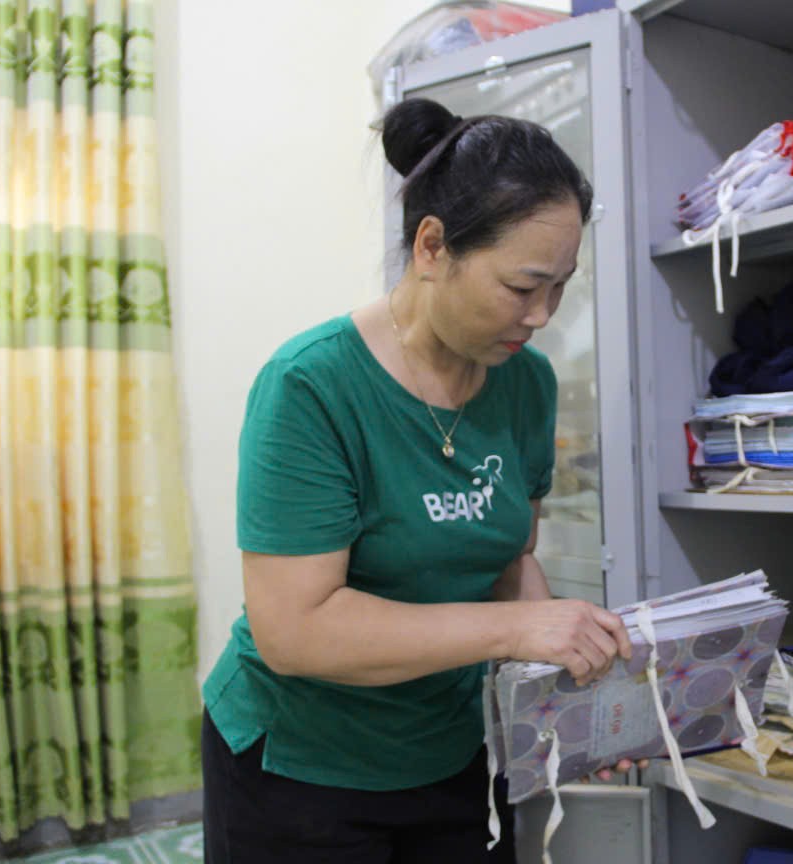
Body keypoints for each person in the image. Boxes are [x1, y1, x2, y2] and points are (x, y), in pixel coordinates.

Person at [201, 97, 637, 864]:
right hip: (302, 766)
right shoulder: (311, 386)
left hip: (448, 752)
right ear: (432, 246)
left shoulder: (525, 382)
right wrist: (519, 631)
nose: (542, 315)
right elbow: (295, 630)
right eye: (521, 286)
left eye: (562, 287)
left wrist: (570, 698)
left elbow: (510, 560)